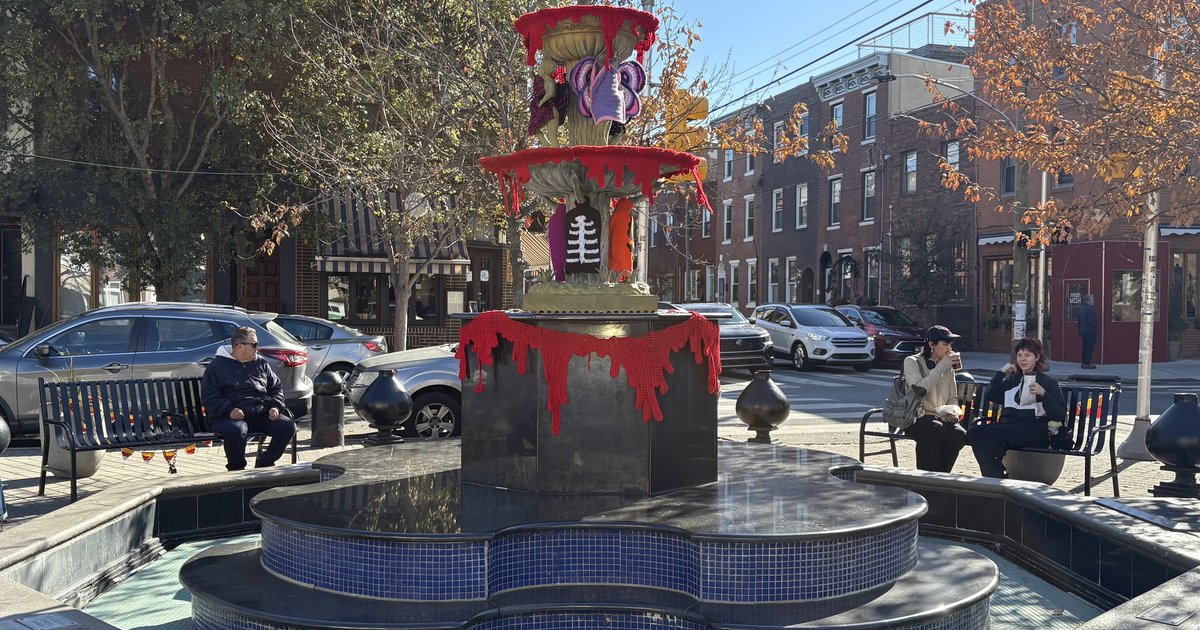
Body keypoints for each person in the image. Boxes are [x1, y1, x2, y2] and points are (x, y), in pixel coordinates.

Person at [967, 337, 1066, 478]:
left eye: (1027, 355)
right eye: (1019, 355)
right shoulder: (1013, 379)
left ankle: (995, 477)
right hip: (1010, 427)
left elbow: (1059, 414)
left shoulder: (1048, 382)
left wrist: (1043, 394)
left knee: (991, 434)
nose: (1023, 359)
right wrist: (1001, 372)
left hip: (1034, 430)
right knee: (974, 432)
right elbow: (991, 395)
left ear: (1037, 357)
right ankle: (995, 475)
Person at [201, 326, 297, 471]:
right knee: (237, 429)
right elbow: (209, 396)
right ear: (239, 346)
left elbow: (275, 388)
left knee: (288, 426)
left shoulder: (261, 363)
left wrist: (275, 407)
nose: (257, 348)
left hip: (260, 413)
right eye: (254, 344)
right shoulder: (217, 367)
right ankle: (236, 469)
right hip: (228, 418)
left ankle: (265, 462)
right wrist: (229, 410)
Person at [901, 325, 968, 473]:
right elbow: (920, 390)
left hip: (941, 417)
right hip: (917, 417)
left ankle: (942, 475)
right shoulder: (912, 362)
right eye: (945, 344)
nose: (949, 348)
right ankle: (926, 477)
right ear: (931, 345)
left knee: (959, 434)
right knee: (935, 430)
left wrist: (953, 412)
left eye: (950, 344)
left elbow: (953, 396)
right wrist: (942, 366)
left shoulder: (948, 366)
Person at [1077, 294, 1097, 369]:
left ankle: (1084, 362)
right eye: (1092, 300)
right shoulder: (1090, 309)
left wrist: (1080, 330)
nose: (1093, 301)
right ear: (1089, 301)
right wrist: (1095, 326)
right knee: (1089, 347)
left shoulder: (1081, 309)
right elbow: (1091, 321)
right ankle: (1087, 363)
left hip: (1083, 331)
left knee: (1085, 347)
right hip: (1090, 331)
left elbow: (1079, 321)